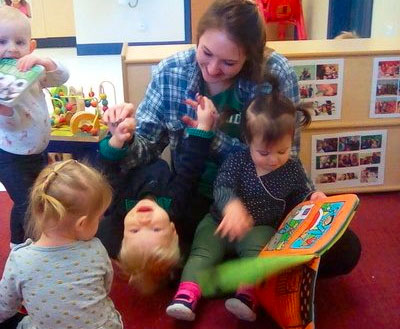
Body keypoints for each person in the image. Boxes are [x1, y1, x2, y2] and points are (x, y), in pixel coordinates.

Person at [99, 0, 360, 280]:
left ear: (250, 56)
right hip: (192, 198)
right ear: (196, 40)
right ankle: (247, 270)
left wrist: (211, 137)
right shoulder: (170, 72)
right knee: (110, 235)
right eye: (206, 53)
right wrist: (122, 135)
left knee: (345, 250)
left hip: (261, 197)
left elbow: (283, 160)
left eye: (228, 62)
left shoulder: (275, 73)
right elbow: (146, 148)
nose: (212, 69)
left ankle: (203, 270)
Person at [166, 78, 326, 322]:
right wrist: (231, 207)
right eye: (264, 152)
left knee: (259, 257)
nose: (273, 159)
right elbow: (222, 186)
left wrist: (312, 197)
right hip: (218, 222)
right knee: (200, 255)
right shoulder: (238, 161)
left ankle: (246, 295)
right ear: (248, 141)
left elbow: (299, 194)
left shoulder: (291, 169)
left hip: (259, 227)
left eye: (282, 151)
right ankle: (186, 294)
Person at [99, 96, 218, 294]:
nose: (144, 220)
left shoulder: (119, 206)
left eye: (135, 231)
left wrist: (116, 140)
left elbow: (107, 171)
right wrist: (203, 129)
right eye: (155, 229)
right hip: (166, 145)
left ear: (122, 232)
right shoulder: (174, 204)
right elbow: (190, 170)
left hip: (131, 147)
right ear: (172, 229)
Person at [0, 159, 123, 329]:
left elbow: (4, 307)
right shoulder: (96, 249)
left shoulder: (19, 260)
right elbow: (105, 287)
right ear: (81, 224)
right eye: (99, 218)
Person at [0, 6, 69, 247]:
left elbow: (62, 77)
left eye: (19, 42)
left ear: (31, 46)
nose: (11, 48)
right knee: (28, 204)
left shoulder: (34, 71)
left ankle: (18, 242)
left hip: (37, 152)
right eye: (1, 41)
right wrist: (5, 110)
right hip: (10, 157)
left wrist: (44, 62)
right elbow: (11, 125)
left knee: (30, 200)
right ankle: (25, 247)